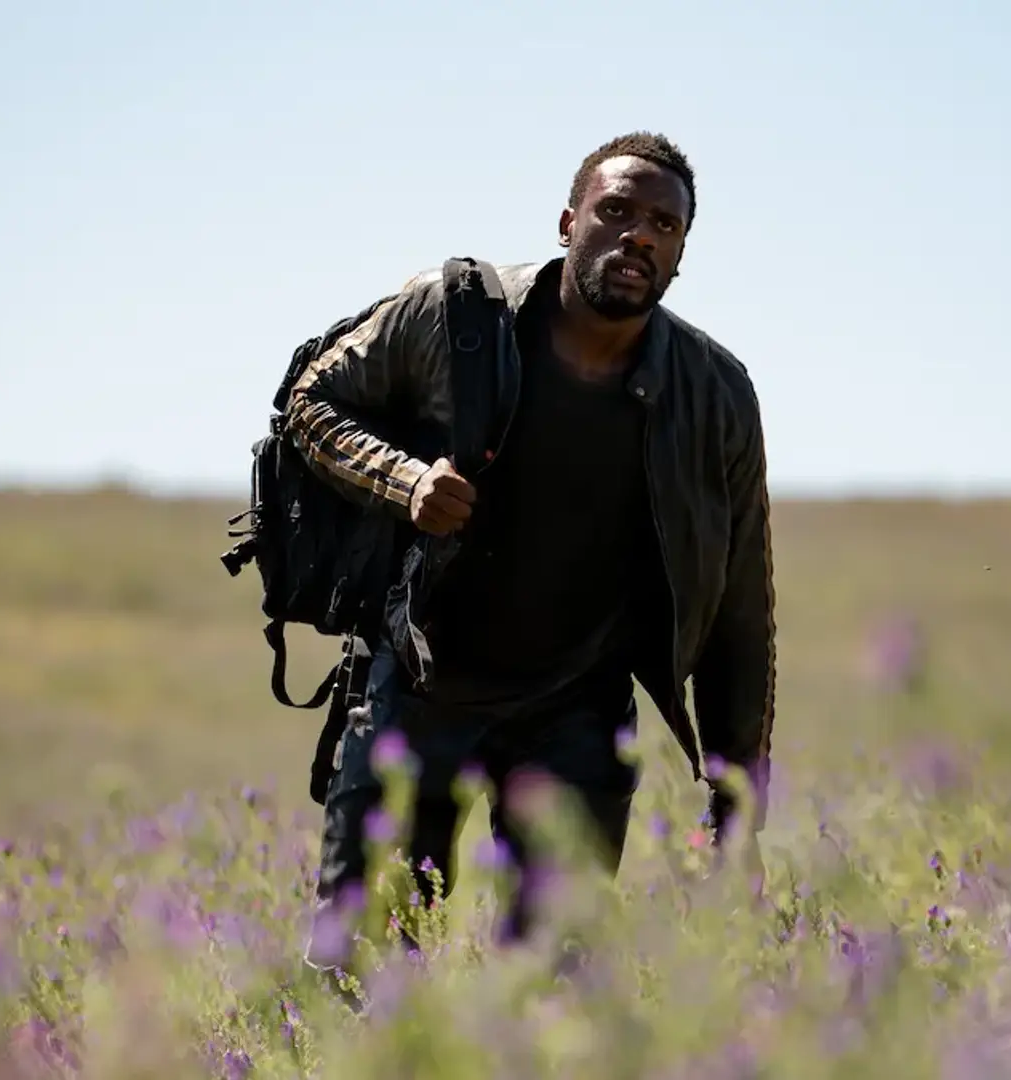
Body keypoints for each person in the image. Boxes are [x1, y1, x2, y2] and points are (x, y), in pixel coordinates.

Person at [285, 131, 776, 973]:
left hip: (575, 713)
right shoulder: (457, 316)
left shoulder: (715, 392)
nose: (638, 236)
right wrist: (404, 481)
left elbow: (739, 602)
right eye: (615, 212)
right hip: (421, 683)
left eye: (664, 224)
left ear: (681, 254)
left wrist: (737, 794)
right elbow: (313, 401)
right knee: (359, 973)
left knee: (555, 989)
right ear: (567, 221)